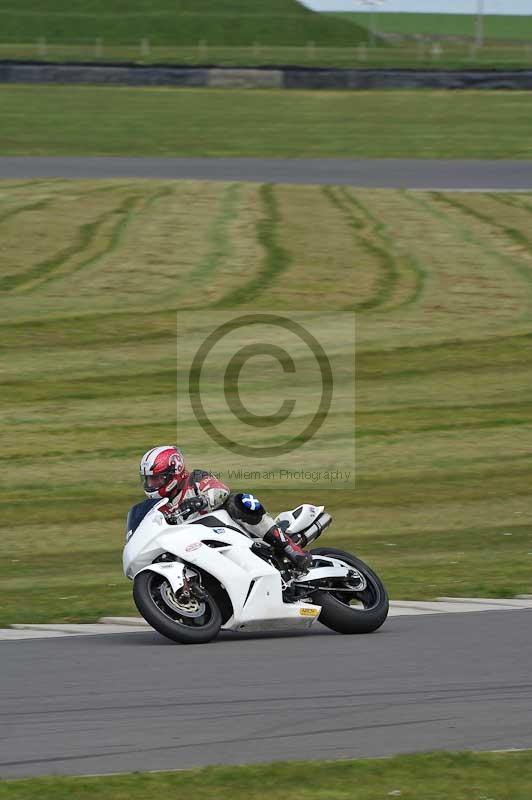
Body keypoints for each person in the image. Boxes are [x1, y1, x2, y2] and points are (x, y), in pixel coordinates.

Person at [127, 445, 312, 572]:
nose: (151, 484)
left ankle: (291, 548)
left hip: (228, 530)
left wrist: (199, 502)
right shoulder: (161, 506)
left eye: (156, 478)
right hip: (198, 545)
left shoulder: (195, 479)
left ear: (174, 472)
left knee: (241, 501)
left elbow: (221, 491)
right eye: (148, 479)